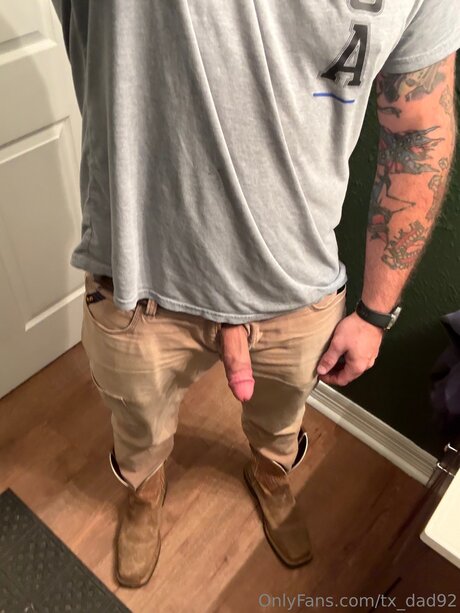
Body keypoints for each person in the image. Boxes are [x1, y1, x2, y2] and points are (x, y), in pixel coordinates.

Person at [52, 0, 459, 588]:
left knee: (279, 427)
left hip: (298, 293)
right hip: (137, 287)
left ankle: (270, 476)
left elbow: (419, 130)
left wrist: (374, 314)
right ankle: (144, 491)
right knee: (138, 430)